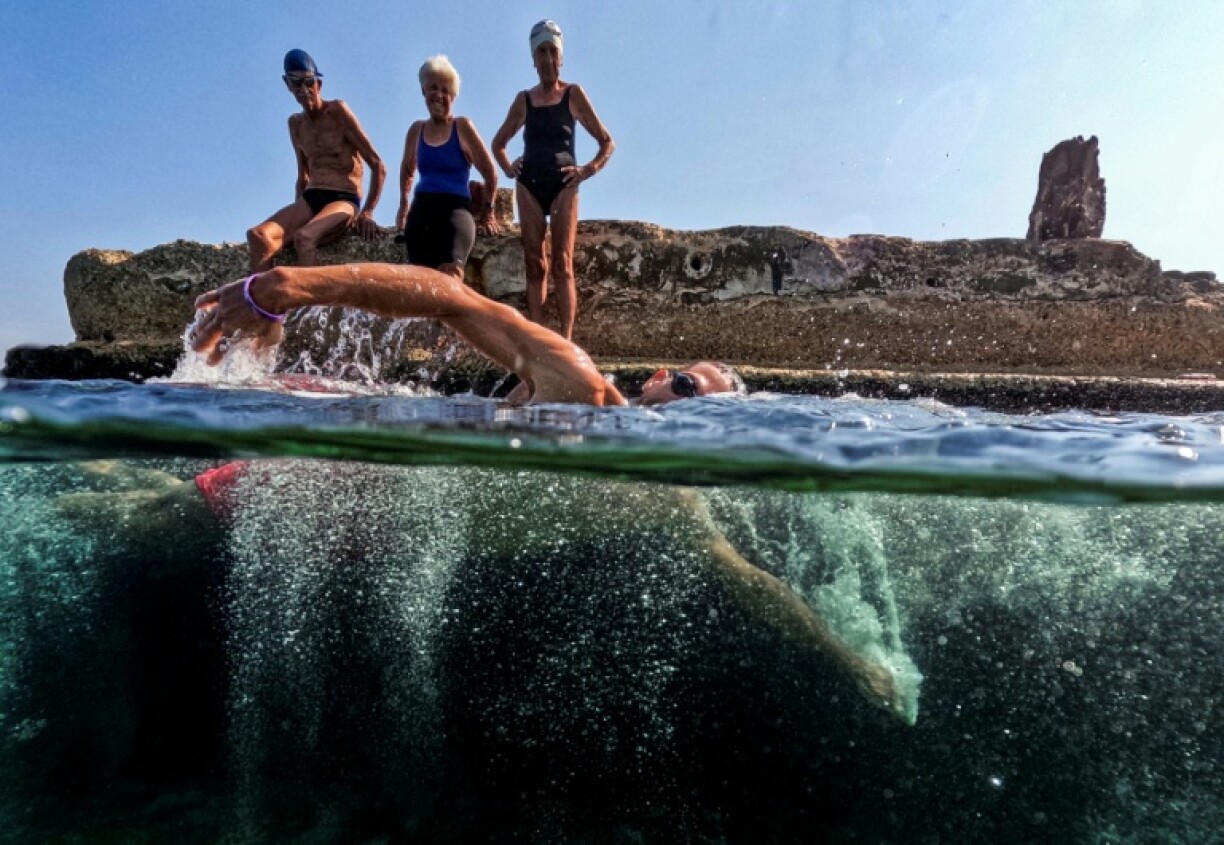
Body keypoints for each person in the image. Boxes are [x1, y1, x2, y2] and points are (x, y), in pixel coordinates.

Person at [189, 263, 742, 407]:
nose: (691, 415)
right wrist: (287, 287)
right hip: (325, 494)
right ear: (659, 378)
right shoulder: (582, 385)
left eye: (712, 414)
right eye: (689, 390)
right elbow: (454, 298)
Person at [491, 20, 615, 341]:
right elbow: (498, 143)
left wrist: (587, 170)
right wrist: (508, 168)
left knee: (562, 264)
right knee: (535, 265)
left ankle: (566, 342)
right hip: (529, 185)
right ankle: (538, 342)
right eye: (541, 53)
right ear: (533, 59)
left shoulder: (573, 94)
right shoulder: (524, 100)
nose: (547, 59)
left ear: (561, 57)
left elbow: (607, 142)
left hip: (564, 186)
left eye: (552, 52)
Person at [246, 49, 387, 274]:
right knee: (258, 236)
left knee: (305, 237)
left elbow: (378, 164)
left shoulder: (338, 112)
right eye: (296, 83)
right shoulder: (296, 125)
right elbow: (303, 176)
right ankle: (263, 296)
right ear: (287, 85)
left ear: (319, 84)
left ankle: (310, 298)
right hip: (311, 198)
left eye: (309, 82)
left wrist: (368, 211)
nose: (304, 90)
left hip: (343, 198)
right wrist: (295, 215)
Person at [394, 56, 500, 279]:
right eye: (433, 88)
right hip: (422, 211)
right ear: (423, 90)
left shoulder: (462, 127)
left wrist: (488, 213)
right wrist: (403, 206)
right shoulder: (416, 130)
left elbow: (490, 172)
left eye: (445, 90)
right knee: (419, 281)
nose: (439, 95)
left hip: (454, 210)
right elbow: (407, 171)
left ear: (453, 96)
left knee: (450, 275)